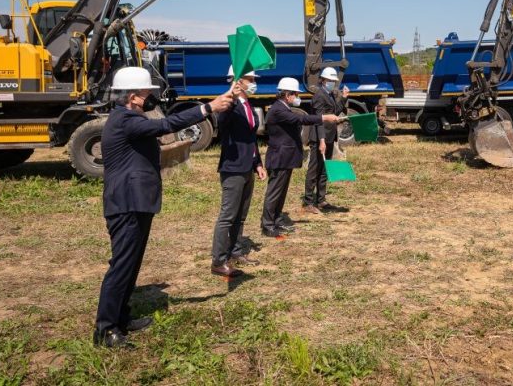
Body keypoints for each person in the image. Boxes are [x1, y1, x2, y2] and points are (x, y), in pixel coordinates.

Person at [94, 67, 232, 348]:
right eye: (147, 93)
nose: (151, 98)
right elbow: (165, 126)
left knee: (130, 265)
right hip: (127, 203)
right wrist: (207, 108)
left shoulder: (129, 117)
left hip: (136, 202)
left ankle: (121, 317)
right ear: (133, 97)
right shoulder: (126, 120)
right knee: (121, 265)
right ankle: (106, 329)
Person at [260, 77, 340, 237]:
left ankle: (276, 219)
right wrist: (324, 117)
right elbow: (301, 118)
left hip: (286, 158)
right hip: (279, 158)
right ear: (287, 94)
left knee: (281, 192)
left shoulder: (284, 107)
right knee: (274, 192)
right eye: (295, 94)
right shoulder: (278, 109)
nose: (298, 97)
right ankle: (267, 224)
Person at [210, 67, 265, 279]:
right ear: (238, 81)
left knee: (240, 216)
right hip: (232, 168)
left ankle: (235, 251)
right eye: (250, 79)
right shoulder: (229, 104)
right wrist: (230, 96)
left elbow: (251, 138)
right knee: (227, 216)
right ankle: (218, 261)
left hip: (247, 166)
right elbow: (222, 124)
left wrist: (258, 163)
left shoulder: (247, 104)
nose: (253, 82)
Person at [302, 67, 350, 214]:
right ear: (322, 80)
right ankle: (308, 202)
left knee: (324, 169)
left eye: (333, 81)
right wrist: (322, 140)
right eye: (329, 80)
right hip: (318, 138)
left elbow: (334, 112)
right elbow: (318, 120)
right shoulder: (318, 96)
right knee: (314, 169)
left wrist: (344, 97)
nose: (332, 83)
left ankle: (321, 200)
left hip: (329, 136)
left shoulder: (329, 95)